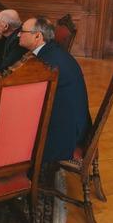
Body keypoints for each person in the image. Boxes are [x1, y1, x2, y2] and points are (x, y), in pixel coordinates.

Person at [18, 16, 91, 163]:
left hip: (66, 135)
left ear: (38, 36)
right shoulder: (52, 52)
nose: (18, 34)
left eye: (22, 31)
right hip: (76, 124)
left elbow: (32, 101)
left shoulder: (46, 63)